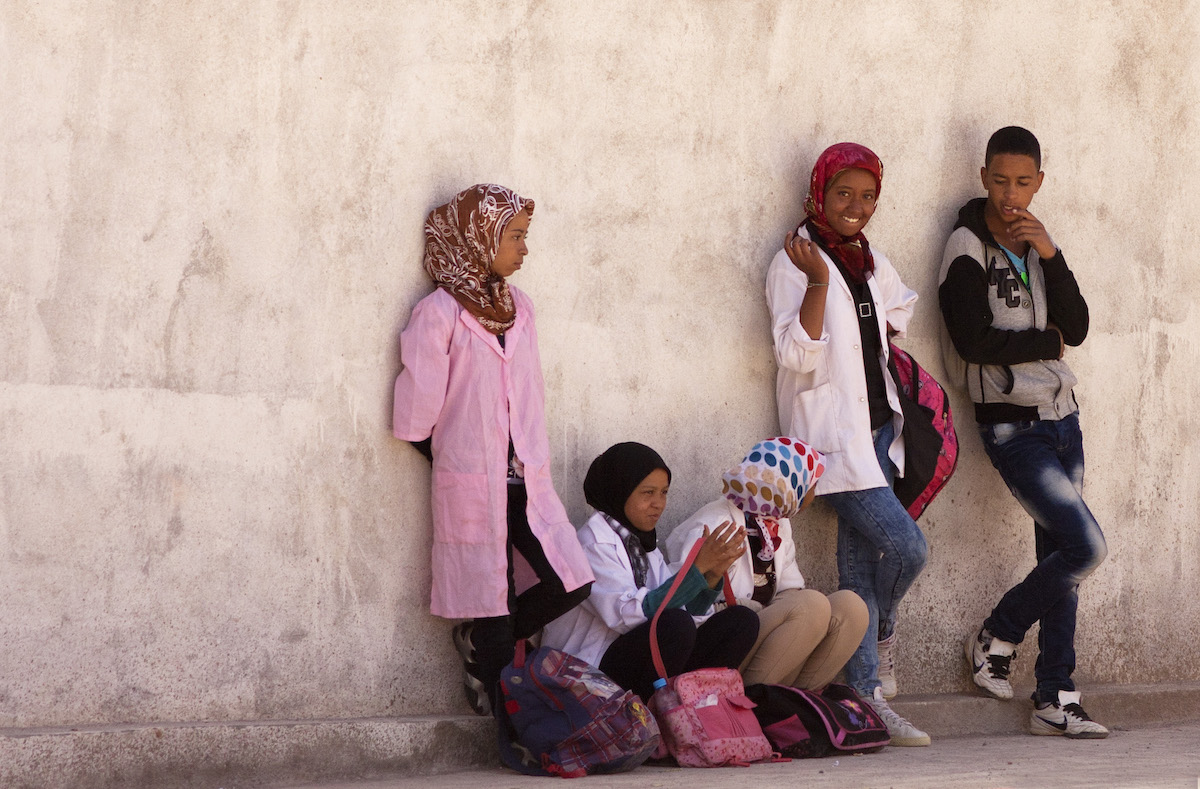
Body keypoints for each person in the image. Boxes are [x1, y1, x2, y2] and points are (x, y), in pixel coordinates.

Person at [392, 184, 594, 716]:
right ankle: (505, 712)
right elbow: (417, 410)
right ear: (479, 238)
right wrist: (456, 460)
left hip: (525, 480)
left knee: (569, 581)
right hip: (472, 483)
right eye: (516, 236)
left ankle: (481, 644)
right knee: (493, 599)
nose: (524, 249)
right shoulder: (438, 312)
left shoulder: (518, 308)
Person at [939, 126, 1108, 738]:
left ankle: (1056, 695)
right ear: (984, 176)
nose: (1012, 195)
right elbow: (973, 342)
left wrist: (1053, 257)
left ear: (1039, 181)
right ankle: (998, 634)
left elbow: (1079, 326)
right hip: (1013, 428)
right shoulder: (965, 246)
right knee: (1087, 548)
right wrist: (1046, 343)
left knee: (1062, 558)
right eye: (1001, 180)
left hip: (1064, 420)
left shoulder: (1038, 242)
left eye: (1024, 182)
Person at [765, 142, 930, 746]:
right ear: (819, 193)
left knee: (858, 572)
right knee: (909, 549)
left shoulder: (869, 259)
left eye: (867, 196)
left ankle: (866, 698)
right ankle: (882, 640)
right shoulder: (794, 262)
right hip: (831, 442)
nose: (855, 206)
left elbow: (900, 307)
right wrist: (815, 282)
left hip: (879, 432)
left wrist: (876, 327)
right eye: (843, 194)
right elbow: (794, 353)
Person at [541, 442, 760, 702]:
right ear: (619, 491)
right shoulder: (592, 543)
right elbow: (627, 615)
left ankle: (693, 710)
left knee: (740, 622)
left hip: (630, 657)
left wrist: (711, 575)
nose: (658, 504)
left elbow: (683, 609)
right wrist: (696, 568)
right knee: (675, 628)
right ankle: (651, 716)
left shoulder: (644, 547)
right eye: (648, 493)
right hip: (589, 668)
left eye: (664, 492)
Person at [666, 437, 868, 691]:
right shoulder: (715, 524)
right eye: (812, 486)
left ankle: (792, 705)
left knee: (852, 607)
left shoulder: (778, 524)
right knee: (811, 605)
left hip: (761, 642)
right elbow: (683, 608)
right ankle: (749, 704)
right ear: (792, 485)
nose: (814, 496)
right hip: (722, 647)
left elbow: (789, 591)